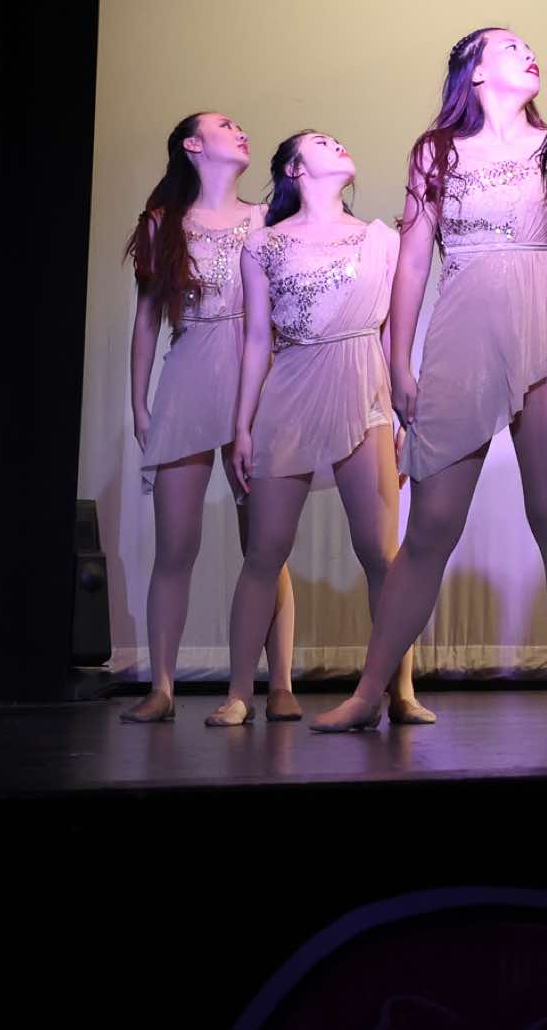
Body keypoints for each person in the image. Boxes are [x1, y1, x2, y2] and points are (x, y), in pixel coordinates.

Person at [312, 28, 547, 732]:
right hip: (464, 334)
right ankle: (368, 693)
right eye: (509, 46)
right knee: (431, 527)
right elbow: (414, 261)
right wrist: (397, 361)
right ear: (474, 73)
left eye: (530, 46)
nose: (528, 52)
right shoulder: (436, 151)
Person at [210, 133, 419, 726]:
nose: (340, 146)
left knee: (380, 553)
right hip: (291, 394)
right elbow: (257, 340)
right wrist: (243, 425)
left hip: (362, 390)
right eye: (323, 143)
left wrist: (399, 409)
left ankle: (400, 691)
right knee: (264, 551)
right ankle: (238, 694)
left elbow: (391, 335)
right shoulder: (264, 245)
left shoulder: (380, 239)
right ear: (295, 169)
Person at [121, 112, 298, 723]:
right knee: (175, 544)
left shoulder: (266, 218)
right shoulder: (163, 223)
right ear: (194, 145)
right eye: (226, 125)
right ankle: (162, 686)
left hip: (256, 379)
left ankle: (280, 684)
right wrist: (140, 403)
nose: (241, 130)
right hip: (190, 377)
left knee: (265, 546)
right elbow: (147, 320)